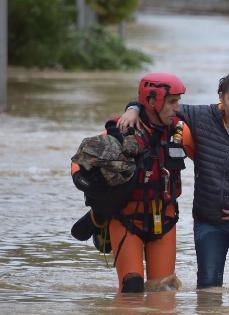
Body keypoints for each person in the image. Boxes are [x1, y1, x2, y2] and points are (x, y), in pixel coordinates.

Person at [118, 66, 229, 289]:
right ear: (221, 97)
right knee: (208, 291)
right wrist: (132, 109)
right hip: (209, 222)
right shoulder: (199, 117)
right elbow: (159, 105)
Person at [71, 72, 192, 293]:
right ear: (153, 101)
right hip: (126, 219)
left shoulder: (180, 131)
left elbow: (210, 160)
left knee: (164, 291)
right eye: (172, 102)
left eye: (178, 102)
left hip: (164, 220)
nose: (177, 108)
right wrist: (85, 183)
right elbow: (80, 161)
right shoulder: (122, 130)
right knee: (131, 288)